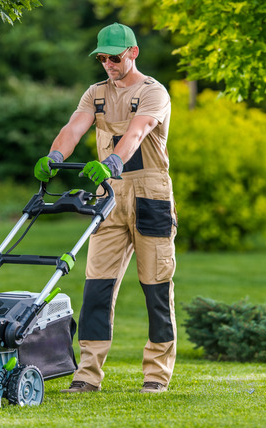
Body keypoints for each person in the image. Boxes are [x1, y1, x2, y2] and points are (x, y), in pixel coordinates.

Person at [33, 23, 177, 394]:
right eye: (102, 58)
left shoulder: (153, 93)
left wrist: (112, 162)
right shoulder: (95, 94)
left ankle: (156, 374)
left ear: (133, 53)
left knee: (155, 286)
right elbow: (73, 127)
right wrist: (54, 155)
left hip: (151, 193)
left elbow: (138, 133)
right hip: (109, 196)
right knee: (97, 285)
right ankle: (87, 374)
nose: (108, 64)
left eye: (114, 57)